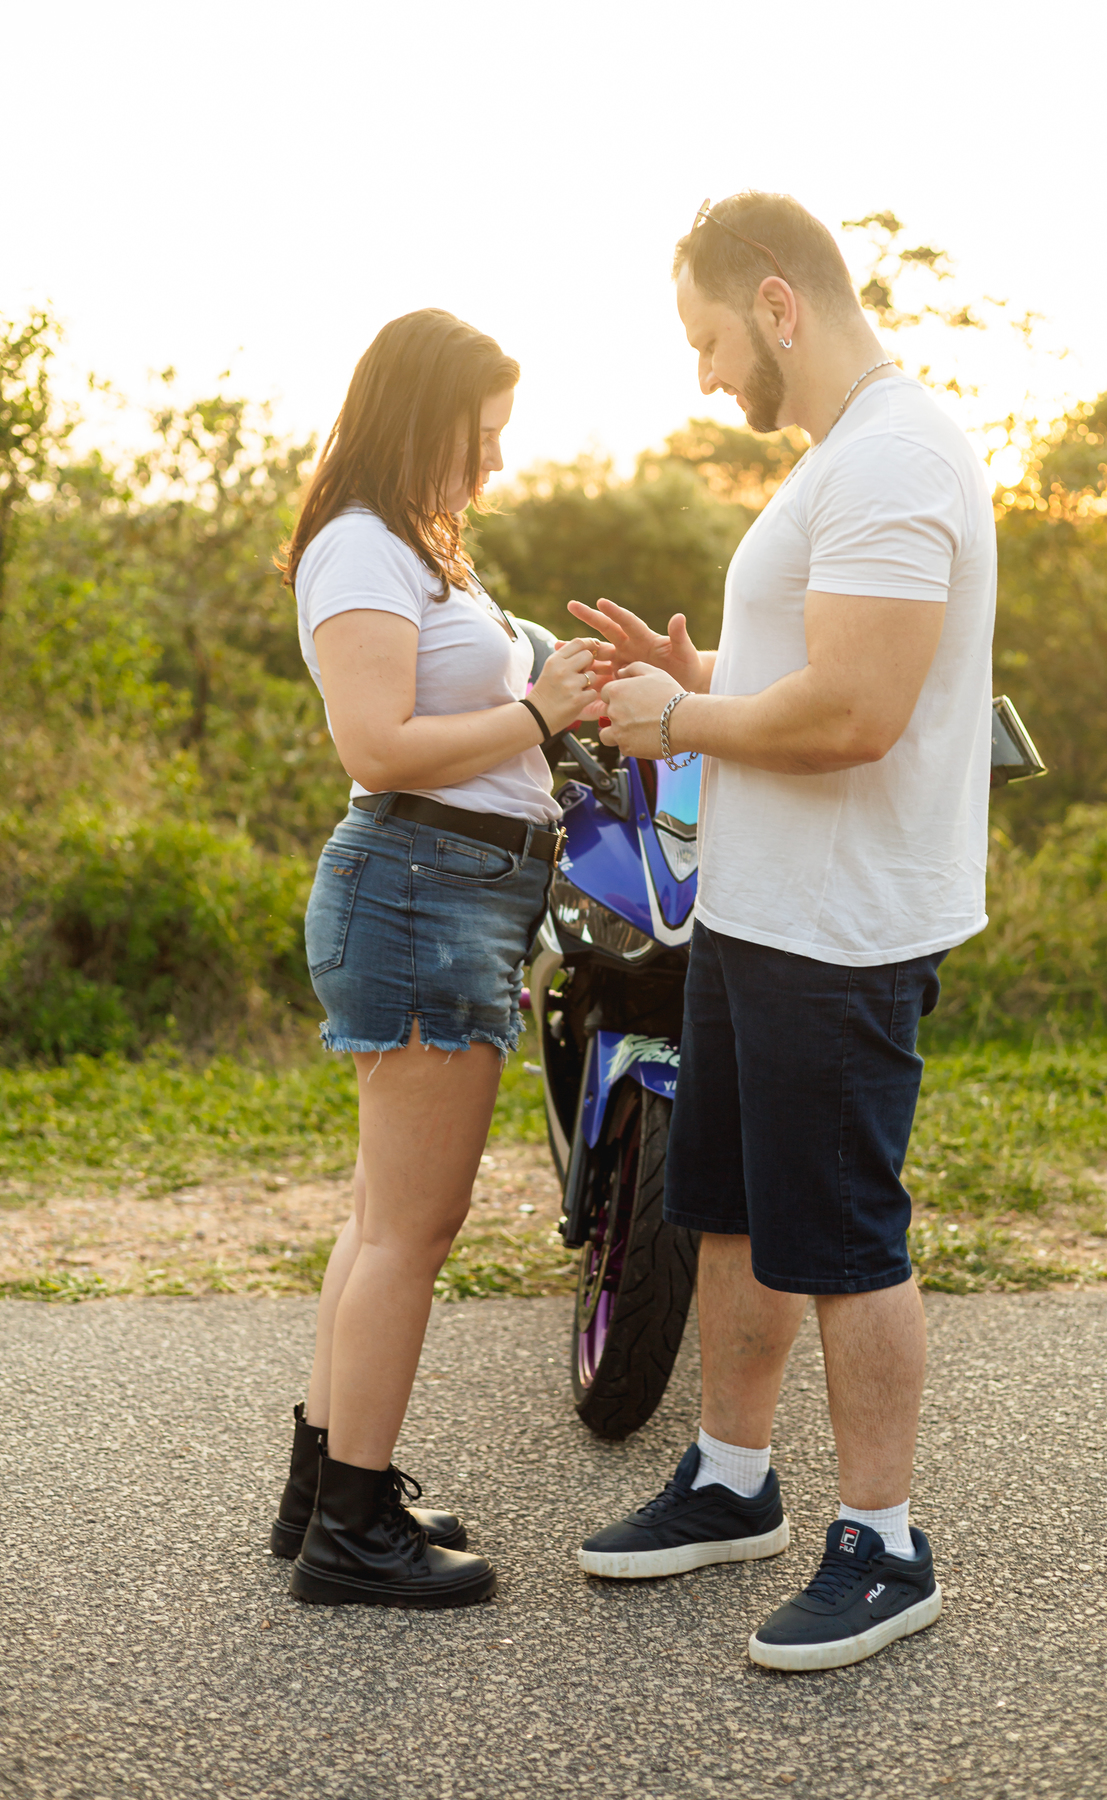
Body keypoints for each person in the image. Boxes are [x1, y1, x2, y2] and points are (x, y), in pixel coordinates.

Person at [571, 193, 995, 1672]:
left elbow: (861, 714)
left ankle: (884, 1543)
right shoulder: (841, 462)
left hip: (842, 928)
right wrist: (709, 670)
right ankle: (734, 1480)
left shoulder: (893, 457)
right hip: (760, 913)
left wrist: (681, 717)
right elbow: (806, 673)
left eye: (703, 340)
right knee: (734, 1209)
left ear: (775, 303)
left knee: (846, 1239)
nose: (702, 375)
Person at [271, 309, 602, 1609]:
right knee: (413, 1229)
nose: (497, 465)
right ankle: (354, 1536)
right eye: (485, 436)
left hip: (454, 895)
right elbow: (380, 747)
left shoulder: (418, 553)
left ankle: (323, 1492)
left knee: (381, 1224)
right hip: (417, 892)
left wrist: (557, 693)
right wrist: (536, 709)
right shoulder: (358, 550)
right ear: (427, 415)